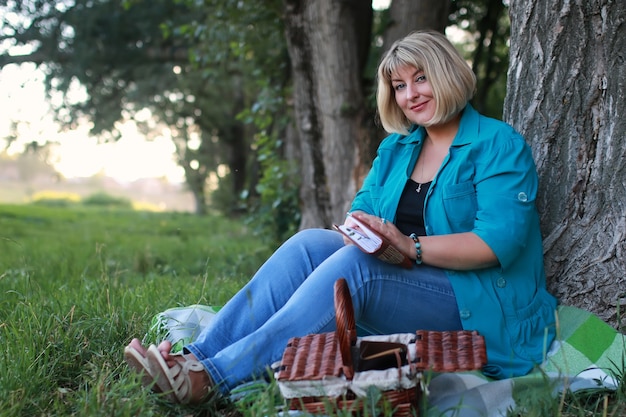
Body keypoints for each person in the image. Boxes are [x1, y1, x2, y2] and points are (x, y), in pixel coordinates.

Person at [124, 30, 557, 404]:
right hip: (407, 281)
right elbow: (362, 212)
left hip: (479, 303)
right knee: (309, 243)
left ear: (448, 73)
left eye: (421, 78)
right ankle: (195, 357)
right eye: (400, 85)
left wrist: (410, 246)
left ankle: (213, 380)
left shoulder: (499, 144)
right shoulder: (397, 149)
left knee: (357, 268)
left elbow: (497, 243)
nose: (411, 94)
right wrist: (362, 232)